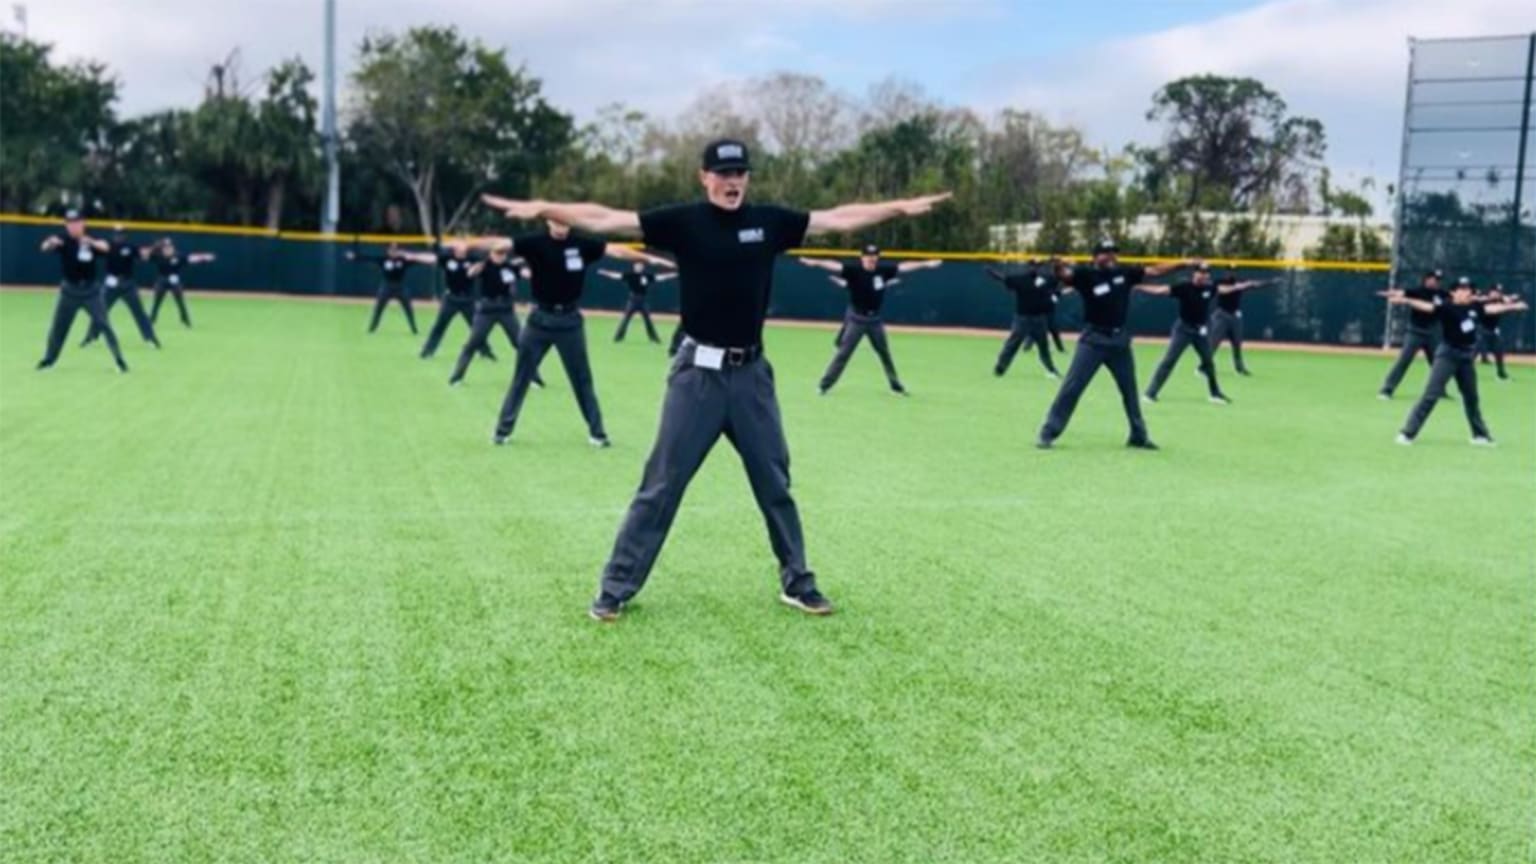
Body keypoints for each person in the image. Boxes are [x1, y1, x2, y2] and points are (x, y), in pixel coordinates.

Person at [485, 138, 950, 621]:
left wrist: (898, 206)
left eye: (740, 173)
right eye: (723, 174)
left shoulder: (769, 222)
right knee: (662, 485)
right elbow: (606, 218)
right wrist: (543, 206)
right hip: (697, 379)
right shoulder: (683, 222)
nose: (733, 182)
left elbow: (838, 218)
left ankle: (798, 580)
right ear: (704, 176)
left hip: (751, 378)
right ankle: (616, 586)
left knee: (775, 483)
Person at [475, 213, 669, 447]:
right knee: (522, 377)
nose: (561, 225)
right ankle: (502, 431)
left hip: (570, 322)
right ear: (548, 221)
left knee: (582, 379)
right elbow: (504, 244)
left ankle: (597, 433)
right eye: (556, 220)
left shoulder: (582, 244)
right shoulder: (534, 242)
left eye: (565, 220)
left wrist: (649, 260)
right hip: (539, 321)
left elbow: (615, 250)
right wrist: (471, 244)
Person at [1035, 239, 1194, 450]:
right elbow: (1064, 275)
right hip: (1093, 340)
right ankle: (1048, 432)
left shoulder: (1125, 273)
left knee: (1129, 390)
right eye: (1105, 252)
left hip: (1119, 341)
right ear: (1095, 257)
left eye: (1113, 252)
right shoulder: (1085, 275)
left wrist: (1182, 263)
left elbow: (1154, 271)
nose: (1110, 256)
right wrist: (1056, 265)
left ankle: (1138, 435)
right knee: (1073, 387)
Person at [1387, 280, 1526, 446]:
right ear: (1453, 293)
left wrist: (1513, 306)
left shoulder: (1475, 307)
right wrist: (1406, 300)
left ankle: (1480, 435)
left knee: (1471, 398)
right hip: (1448, 355)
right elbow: (1427, 306)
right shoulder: (1447, 307)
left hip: (1466, 357)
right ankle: (1407, 433)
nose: (1465, 292)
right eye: (1461, 289)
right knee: (1431, 394)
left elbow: (1491, 309)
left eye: (1467, 289)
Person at [798, 245, 942, 395]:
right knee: (843, 354)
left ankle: (896, 386)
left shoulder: (883, 271)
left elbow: (904, 267)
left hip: (875, 321)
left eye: (874, 256)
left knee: (884, 353)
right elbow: (834, 265)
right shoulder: (853, 271)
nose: (871, 259)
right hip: (857, 321)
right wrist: (815, 262)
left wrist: (925, 264)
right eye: (868, 256)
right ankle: (824, 385)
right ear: (862, 257)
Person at [1140, 265, 1263, 405]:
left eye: (1206, 273)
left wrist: (1243, 286)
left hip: (1200, 332)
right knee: (1169, 360)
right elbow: (1160, 290)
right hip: (1183, 330)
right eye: (1200, 272)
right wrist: (1139, 287)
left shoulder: (1209, 288)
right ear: (1194, 274)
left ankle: (1215, 394)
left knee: (1209, 363)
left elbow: (1225, 289)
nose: (1203, 275)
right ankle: (1150, 393)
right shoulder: (1184, 287)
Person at [36, 210, 129, 373]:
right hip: (69, 291)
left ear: (83, 224)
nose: (73, 226)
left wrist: (90, 242)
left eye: (76, 222)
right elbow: (44, 247)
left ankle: (119, 360)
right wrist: (50, 242)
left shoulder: (90, 239)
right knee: (58, 327)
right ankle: (49, 360)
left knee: (104, 324)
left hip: (91, 292)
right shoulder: (63, 240)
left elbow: (107, 248)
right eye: (69, 223)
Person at [447, 242, 544, 388]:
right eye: (497, 253)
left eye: (503, 253)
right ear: (491, 253)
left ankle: (533, 378)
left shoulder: (511, 267)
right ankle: (456, 378)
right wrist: (477, 268)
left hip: (506, 309)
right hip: (487, 309)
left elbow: (527, 275)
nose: (500, 256)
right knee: (472, 343)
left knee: (521, 344)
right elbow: (470, 273)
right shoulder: (485, 265)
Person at [402, 240, 495, 361]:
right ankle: (427, 351)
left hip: (468, 299)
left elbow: (488, 262)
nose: (461, 248)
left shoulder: (473, 258)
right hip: (451, 299)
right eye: (458, 245)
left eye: (463, 245)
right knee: (439, 326)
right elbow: (431, 258)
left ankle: (485, 352)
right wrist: (414, 256)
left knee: (477, 328)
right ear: (454, 248)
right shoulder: (447, 258)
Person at [985, 257, 1068, 379]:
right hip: (1022, 319)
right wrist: (992, 273)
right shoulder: (1021, 279)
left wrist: (1057, 265)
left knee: (1044, 347)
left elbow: (1059, 280)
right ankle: (1000, 368)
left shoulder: (1045, 280)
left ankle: (1051, 369)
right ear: (1028, 267)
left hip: (1039, 319)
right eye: (1032, 265)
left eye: (1037, 266)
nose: (1034, 268)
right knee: (1012, 344)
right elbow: (1004, 279)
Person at [82, 226, 159, 349]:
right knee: (100, 312)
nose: (119, 236)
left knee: (139, 313)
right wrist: (89, 242)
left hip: (128, 284)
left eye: (121, 234)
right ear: (113, 235)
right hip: (110, 285)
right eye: (117, 234)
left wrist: (153, 249)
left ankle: (150, 339)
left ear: (125, 236)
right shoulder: (107, 247)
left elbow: (143, 255)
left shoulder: (129, 247)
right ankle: (90, 338)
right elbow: (94, 249)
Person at [1377, 270, 1445, 399]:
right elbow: (1401, 293)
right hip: (1415, 332)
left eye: (1438, 279)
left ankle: (1439, 390)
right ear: (1426, 279)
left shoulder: (1441, 294)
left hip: (1433, 333)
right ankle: (1387, 389)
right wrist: (1391, 294)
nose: (1435, 282)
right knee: (1403, 361)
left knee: (1438, 363)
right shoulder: (1417, 291)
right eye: (1433, 279)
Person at [1207, 272, 1274, 375]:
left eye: (1233, 271)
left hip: (1235, 317)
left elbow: (1254, 284)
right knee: (1214, 343)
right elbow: (1222, 290)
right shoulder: (1219, 281)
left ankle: (1239, 368)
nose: (1231, 273)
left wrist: (1269, 282)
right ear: (1226, 272)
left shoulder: (1240, 281)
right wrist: (1238, 287)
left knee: (1237, 343)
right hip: (1221, 316)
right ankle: (1204, 366)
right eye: (1229, 271)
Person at [597, 261, 677, 343]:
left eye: (640, 266)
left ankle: (654, 339)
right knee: (625, 320)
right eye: (637, 266)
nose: (639, 267)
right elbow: (616, 276)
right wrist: (605, 272)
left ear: (643, 267)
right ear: (634, 267)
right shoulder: (630, 275)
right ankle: (618, 338)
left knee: (648, 320)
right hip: (632, 301)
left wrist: (673, 274)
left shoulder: (647, 276)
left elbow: (660, 277)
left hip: (643, 301)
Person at [348, 243, 420, 334]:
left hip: (400, 287)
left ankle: (414, 329)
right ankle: (372, 329)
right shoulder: (383, 260)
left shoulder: (403, 261)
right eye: (391, 250)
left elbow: (417, 260)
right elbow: (369, 258)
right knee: (378, 308)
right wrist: (355, 257)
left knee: (408, 308)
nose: (393, 252)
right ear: (388, 251)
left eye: (395, 250)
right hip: (387, 287)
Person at [146, 238, 215, 328]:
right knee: (156, 301)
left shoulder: (179, 256)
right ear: (162, 249)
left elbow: (192, 259)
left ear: (173, 248)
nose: (168, 249)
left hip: (175, 280)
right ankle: (151, 319)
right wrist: (154, 247)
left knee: (180, 301)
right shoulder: (157, 256)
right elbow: (146, 255)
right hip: (162, 279)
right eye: (165, 248)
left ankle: (185, 320)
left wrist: (205, 257)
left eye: (169, 247)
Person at [1475, 283, 1520, 381]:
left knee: (1499, 351)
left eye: (1499, 292)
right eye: (1495, 291)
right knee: (1473, 353)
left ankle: (1501, 373)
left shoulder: (1500, 300)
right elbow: (1491, 310)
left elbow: (1510, 300)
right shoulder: (1483, 300)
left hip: (1492, 331)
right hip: (1480, 330)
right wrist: (1511, 304)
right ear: (1490, 291)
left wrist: (1511, 299)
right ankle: (1460, 373)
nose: (1497, 294)